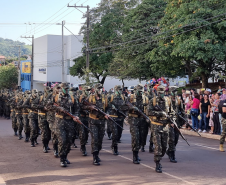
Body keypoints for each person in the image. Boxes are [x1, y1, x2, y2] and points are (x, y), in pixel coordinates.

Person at [82, 83, 108, 166]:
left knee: (100, 140)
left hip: (102, 122)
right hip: (93, 121)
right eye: (98, 88)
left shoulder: (104, 97)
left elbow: (109, 107)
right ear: (95, 89)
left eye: (101, 88)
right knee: (95, 139)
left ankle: (97, 152)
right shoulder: (90, 97)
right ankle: (95, 156)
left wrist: (107, 114)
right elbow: (82, 106)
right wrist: (90, 107)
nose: (100, 90)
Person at [126, 84, 148, 165]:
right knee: (136, 137)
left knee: (142, 138)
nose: (141, 93)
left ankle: (138, 150)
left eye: (142, 91)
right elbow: (123, 107)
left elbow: (148, 109)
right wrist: (131, 108)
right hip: (134, 121)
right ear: (135, 91)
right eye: (139, 92)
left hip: (143, 121)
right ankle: (135, 155)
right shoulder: (130, 98)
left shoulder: (145, 98)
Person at [107, 85, 127, 155]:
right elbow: (106, 106)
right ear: (116, 90)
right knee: (115, 134)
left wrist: (125, 115)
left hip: (121, 118)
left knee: (119, 134)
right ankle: (115, 147)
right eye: (119, 89)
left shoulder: (124, 97)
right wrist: (108, 113)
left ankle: (114, 144)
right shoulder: (110, 97)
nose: (120, 91)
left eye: (121, 89)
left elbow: (127, 107)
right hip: (113, 118)